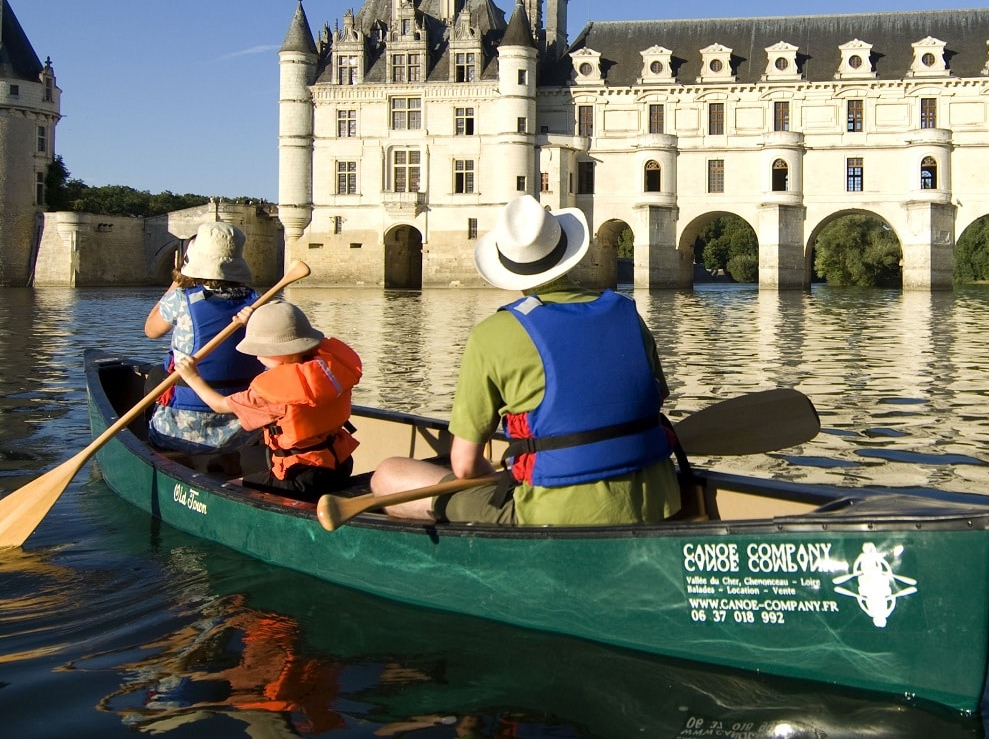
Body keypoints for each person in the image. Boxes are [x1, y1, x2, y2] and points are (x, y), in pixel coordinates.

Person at [369, 194, 682, 526]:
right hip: (660, 501)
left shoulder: (492, 335)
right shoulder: (627, 313)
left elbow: (463, 465)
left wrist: (500, 474)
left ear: (506, 267)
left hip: (553, 513)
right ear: (567, 253)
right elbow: (655, 399)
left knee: (387, 476)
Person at [172, 300, 363, 500]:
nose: (256, 356)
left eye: (259, 350)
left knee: (228, 490)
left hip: (296, 478)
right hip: (339, 464)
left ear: (274, 352)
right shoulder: (326, 368)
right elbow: (289, 338)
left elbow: (219, 405)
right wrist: (254, 323)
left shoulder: (268, 395)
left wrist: (191, 377)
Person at [144, 221, 261, 456]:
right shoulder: (257, 302)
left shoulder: (181, 299)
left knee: (157, 375)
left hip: (179, 431)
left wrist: (180, 280)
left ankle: (154, 450)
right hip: (244, 432)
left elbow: (151, 330)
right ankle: (228, 463)